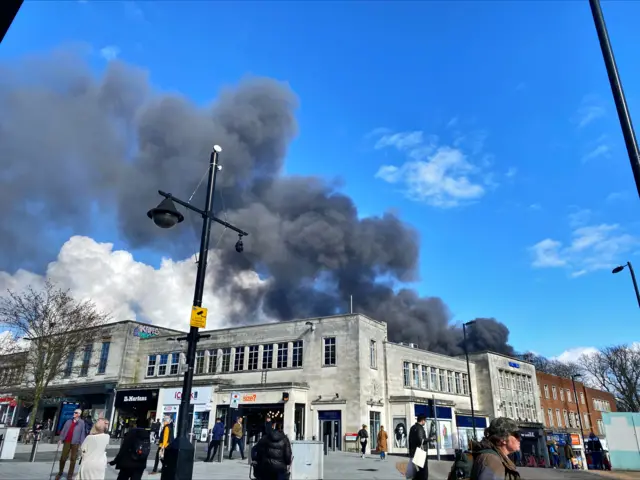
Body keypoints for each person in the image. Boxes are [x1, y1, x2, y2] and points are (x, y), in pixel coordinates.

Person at [56, 408, 87, 480]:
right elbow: (64, 430)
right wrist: (61, 439)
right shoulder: (68, 421)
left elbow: (82, 433)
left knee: (73, 459)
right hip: (67, 441)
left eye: (76, 412)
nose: (74, 413)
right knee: (63, 458)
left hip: (75, 442)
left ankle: (70, 475)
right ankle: (60, 472)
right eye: (74, 412)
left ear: (79, 414)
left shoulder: (81, 423)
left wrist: (82, 444)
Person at [408, 415, 428, 480]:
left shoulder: (412, 428)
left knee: (416, 472)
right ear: (422, 420)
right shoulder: (420, 428)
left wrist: (410, 452)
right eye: (425, 420)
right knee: (423, 473)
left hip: (413, 452)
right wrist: (431, 439)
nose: (425, 422)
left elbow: (409, 440)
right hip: (420, 453)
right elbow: (421, 440)